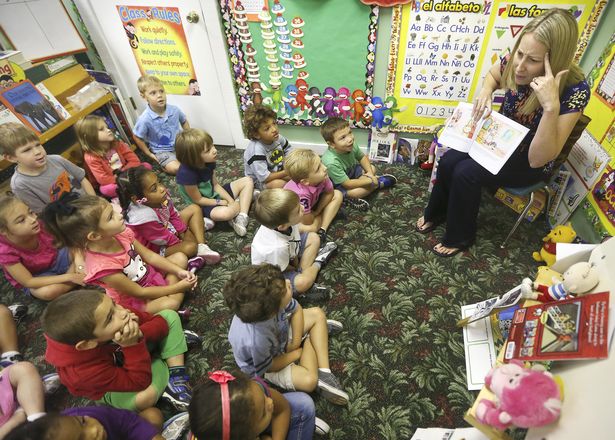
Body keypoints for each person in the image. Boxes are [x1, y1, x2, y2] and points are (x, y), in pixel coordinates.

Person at [416, 9, 590, 257]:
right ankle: (437, 213)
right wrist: (485, 91)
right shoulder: (515, 62)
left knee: (466, 172)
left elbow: (538, 159)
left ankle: (459, 237)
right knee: (449, 159)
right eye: (520, 53)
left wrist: (551, 107)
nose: (519, 67)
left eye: (532, 60)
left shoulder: (575, 89)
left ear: (556, 60)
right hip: (500, 140)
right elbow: (493, 75)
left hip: (528, 158)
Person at [42, 290, 195, 413]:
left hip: (131, 351)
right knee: (145, 397)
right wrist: (132, 346)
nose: (122, 312)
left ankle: (175, 373)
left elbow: (159, 323)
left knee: (169, 315)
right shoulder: (81, 374)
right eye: (110, 318)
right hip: (115, 384)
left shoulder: (115, 313)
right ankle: (171, 350)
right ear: (87, 344)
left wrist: (139, 333)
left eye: (114, 304)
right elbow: (140, 382)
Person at [41, 193, 197, 314]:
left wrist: (179, 271)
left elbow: (150, 256)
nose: (120, 214)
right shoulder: (103, 268)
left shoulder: (121, 233)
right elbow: (140, 292)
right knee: (171, 303)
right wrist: (178, 287)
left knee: (180, 258)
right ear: (94, 236)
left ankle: (171, 302)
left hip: (149, 276)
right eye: (111, 217)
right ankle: (171, 307)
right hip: (137, 300)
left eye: (112, 209)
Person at [224, 264, 348, 407]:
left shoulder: (268, 303)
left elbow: (297, 310)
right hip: (267, 364)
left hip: (280, 337)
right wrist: (296, 353)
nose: (289, 282)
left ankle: (324, 372)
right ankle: (312, 338)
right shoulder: (256, 340)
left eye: (284, 280)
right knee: (309, 381)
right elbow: (269, 367)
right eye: (285, 288)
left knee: (317, 314)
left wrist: (295, 342)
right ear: (273, 311)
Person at [116, 166, 221, 266]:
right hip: (156, 248)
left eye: (159, 182)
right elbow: (162, 239)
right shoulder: (143, 218)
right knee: (191, 247)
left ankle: (202, 247)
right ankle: (197, 231)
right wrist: (182, 241)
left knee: (194, 209)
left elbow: (173, 215)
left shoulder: (160, 196)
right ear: (136, 199)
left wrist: (183, 231)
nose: (162, 188)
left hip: (167, 227)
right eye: (154, 189)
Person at [189, 369, 331, 439]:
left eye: (263, 396)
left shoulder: (252, 391)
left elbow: (283, 408)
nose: (270, 402)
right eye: (263, 413)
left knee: (303, 404)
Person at [252, 189, 338, 302]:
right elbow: (283, 268)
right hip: (275, 273)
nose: (303, 207)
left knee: (314, 238)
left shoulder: (285, 222)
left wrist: (297, 263)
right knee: (303, 282)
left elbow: (300, 233)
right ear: (282, 226)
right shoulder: (276, 248)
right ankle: (318, 262)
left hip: (290, 250)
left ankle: (305, 282)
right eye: (298, 210)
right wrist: (296, 269)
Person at [0, 194, 85, 300]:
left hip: (57, 258)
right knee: (47, 293)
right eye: (21, 220)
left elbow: (70, 242)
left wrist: (79, 261)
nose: (33, 219)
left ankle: (78, 273)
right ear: (3, 231)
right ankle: (78, 276)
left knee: (82, 245)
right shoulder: (5, 252)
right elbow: (29, 281)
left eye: (30, 212)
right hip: (39, 276)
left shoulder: (40, 224)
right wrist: (70, 276)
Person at [0, 123, 95, 214]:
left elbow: (82, 178)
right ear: (11, 158)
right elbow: (43, 213)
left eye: (38, 145)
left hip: (90, 205)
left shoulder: (57, 159)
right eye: (27, 150)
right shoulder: (20, 185)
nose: (38, 151)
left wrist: (94, 203)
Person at [175, 128, 254, 237]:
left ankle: (242, 216)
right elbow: (198, 200)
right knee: (226, 213)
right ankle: (244, 201)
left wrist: (231, 201)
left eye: (212, 145)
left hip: (214, 195)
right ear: (194, 158)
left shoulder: (209, 162)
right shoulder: (186, 174)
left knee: (248, 181)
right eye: (208, 150)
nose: (215, 150)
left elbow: (216, 185)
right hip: (203, 204)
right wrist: (220, 202)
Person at [320, 117, 397, 211]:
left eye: (350, 132)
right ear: (332, 144)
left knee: (371, 168)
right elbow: (347, 184)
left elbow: (362, 157)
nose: (350, 139)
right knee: (358, 191)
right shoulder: (330, 162)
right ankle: (377, 184)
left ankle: (372, 184)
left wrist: (369, 173)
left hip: (353, 171)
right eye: (343, 138)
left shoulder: (351, 144)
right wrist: (370, 181)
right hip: (340, 185)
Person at [75, 115, 152, 198]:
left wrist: (124, 173)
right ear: (89, 137)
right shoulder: (90, 157)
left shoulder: (118, 144)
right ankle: (134, 186)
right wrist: (120, 179)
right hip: (114, 181)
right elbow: (103, 179)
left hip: (127, 173)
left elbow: (135, 161)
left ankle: (129, 188)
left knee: (146, 166)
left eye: (107, 127)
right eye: (101, 129)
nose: (108, 130)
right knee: (106, 189)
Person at [2, 407, 186, 440]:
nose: (94, 430)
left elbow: (129, 422)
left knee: (152, 415)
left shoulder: (90, 414)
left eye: (82, 422)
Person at [283, 148, 343, 245]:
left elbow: (329, 193)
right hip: (296, 216)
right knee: (311, 228)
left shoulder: (323, 176)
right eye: (318, 168)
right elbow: (308, 221)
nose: (325, 168)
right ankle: (325, 219)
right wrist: (319, 213)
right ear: (305, 181)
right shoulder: (300, 194)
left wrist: (318, 211)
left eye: (321, 162)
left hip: (312, 205)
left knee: (338, 194)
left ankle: (322, 229)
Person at [133, 75, 189, 175]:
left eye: (161, 91)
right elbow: (137, 136)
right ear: (143, 96)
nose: (159, 95)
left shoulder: (174, 110)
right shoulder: (144, 119)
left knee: (202, 157)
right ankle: (167, 164)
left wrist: (188, 137)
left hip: (180, 145)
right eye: (153, 93)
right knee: (178, 169)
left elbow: (184, 121)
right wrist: (149, 153)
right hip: (162, 151)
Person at [243, 104, 292, 190]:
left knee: (298, 175)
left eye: (274, 123)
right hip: (260, 182)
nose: (274, 129)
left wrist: (289, 165)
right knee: (280, 184)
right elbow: (264, 177)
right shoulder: (256, 150)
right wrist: (286, 172)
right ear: (256, 134)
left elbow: (288, 149)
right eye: (267, 128)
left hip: (278, 171)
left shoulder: (277, 137)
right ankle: (257, 194)